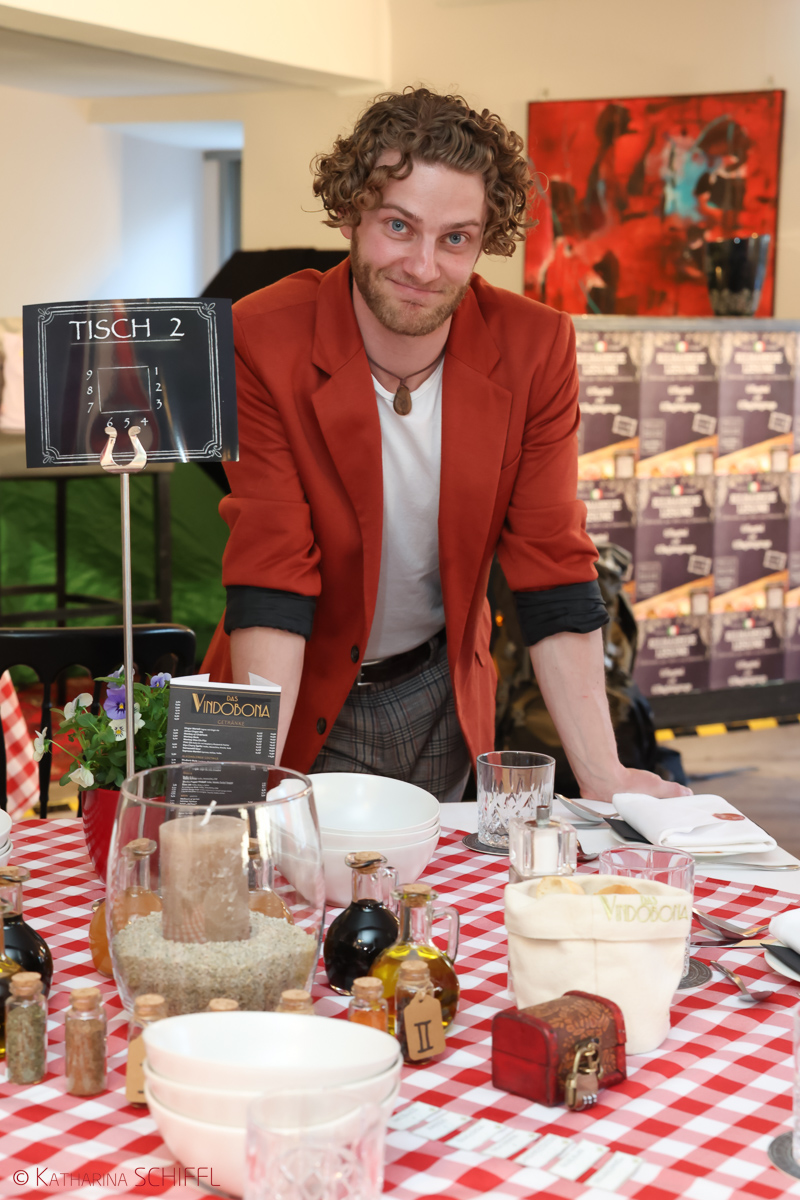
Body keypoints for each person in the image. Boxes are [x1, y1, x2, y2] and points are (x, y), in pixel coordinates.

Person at [202, 87, 689, 804]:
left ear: (484, 239)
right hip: (291, 689)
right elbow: (272, 573)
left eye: (455, 238)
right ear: (351, 213)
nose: (424, 266)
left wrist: (604, 775)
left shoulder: (535, 348)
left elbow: (552, 570)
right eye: (399, 226)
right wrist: (248, 786)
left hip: (442, 693)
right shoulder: (259, 336)